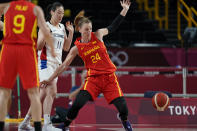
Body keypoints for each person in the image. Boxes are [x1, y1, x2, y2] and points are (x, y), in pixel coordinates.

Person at [41, 0, 133, 131]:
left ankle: (124, 121)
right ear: (79, 30)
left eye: (90, 29)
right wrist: (50, 79)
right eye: (86, 29)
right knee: (77, 104)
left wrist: (124, 9)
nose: (89, 31)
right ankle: (65, 125)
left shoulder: (99, 34)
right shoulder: (76, 48)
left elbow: (113, 26)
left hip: (109, 78)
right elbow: (63, 66)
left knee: (123, 109)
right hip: (93, 80)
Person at [0, 0, 56, 131]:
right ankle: (37, 127)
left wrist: (4, 25)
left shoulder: (6, 6)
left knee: (4, 92)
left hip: (8, 48)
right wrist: (52, 49)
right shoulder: (35, 9)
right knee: (34, 93)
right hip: (26, 49)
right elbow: (46, 32)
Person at [18, 2, 74, 131]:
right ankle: (47, 124)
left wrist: (71, 33)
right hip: (45, 62)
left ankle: (24, 123)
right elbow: (38, 46)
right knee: (52, 91)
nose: (61, 15)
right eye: (58, 12)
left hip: (56, 64)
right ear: (52, 12)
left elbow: (66, 48)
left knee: (42, 94)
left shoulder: (61, 27)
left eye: (62, 12)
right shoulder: (46, 26)